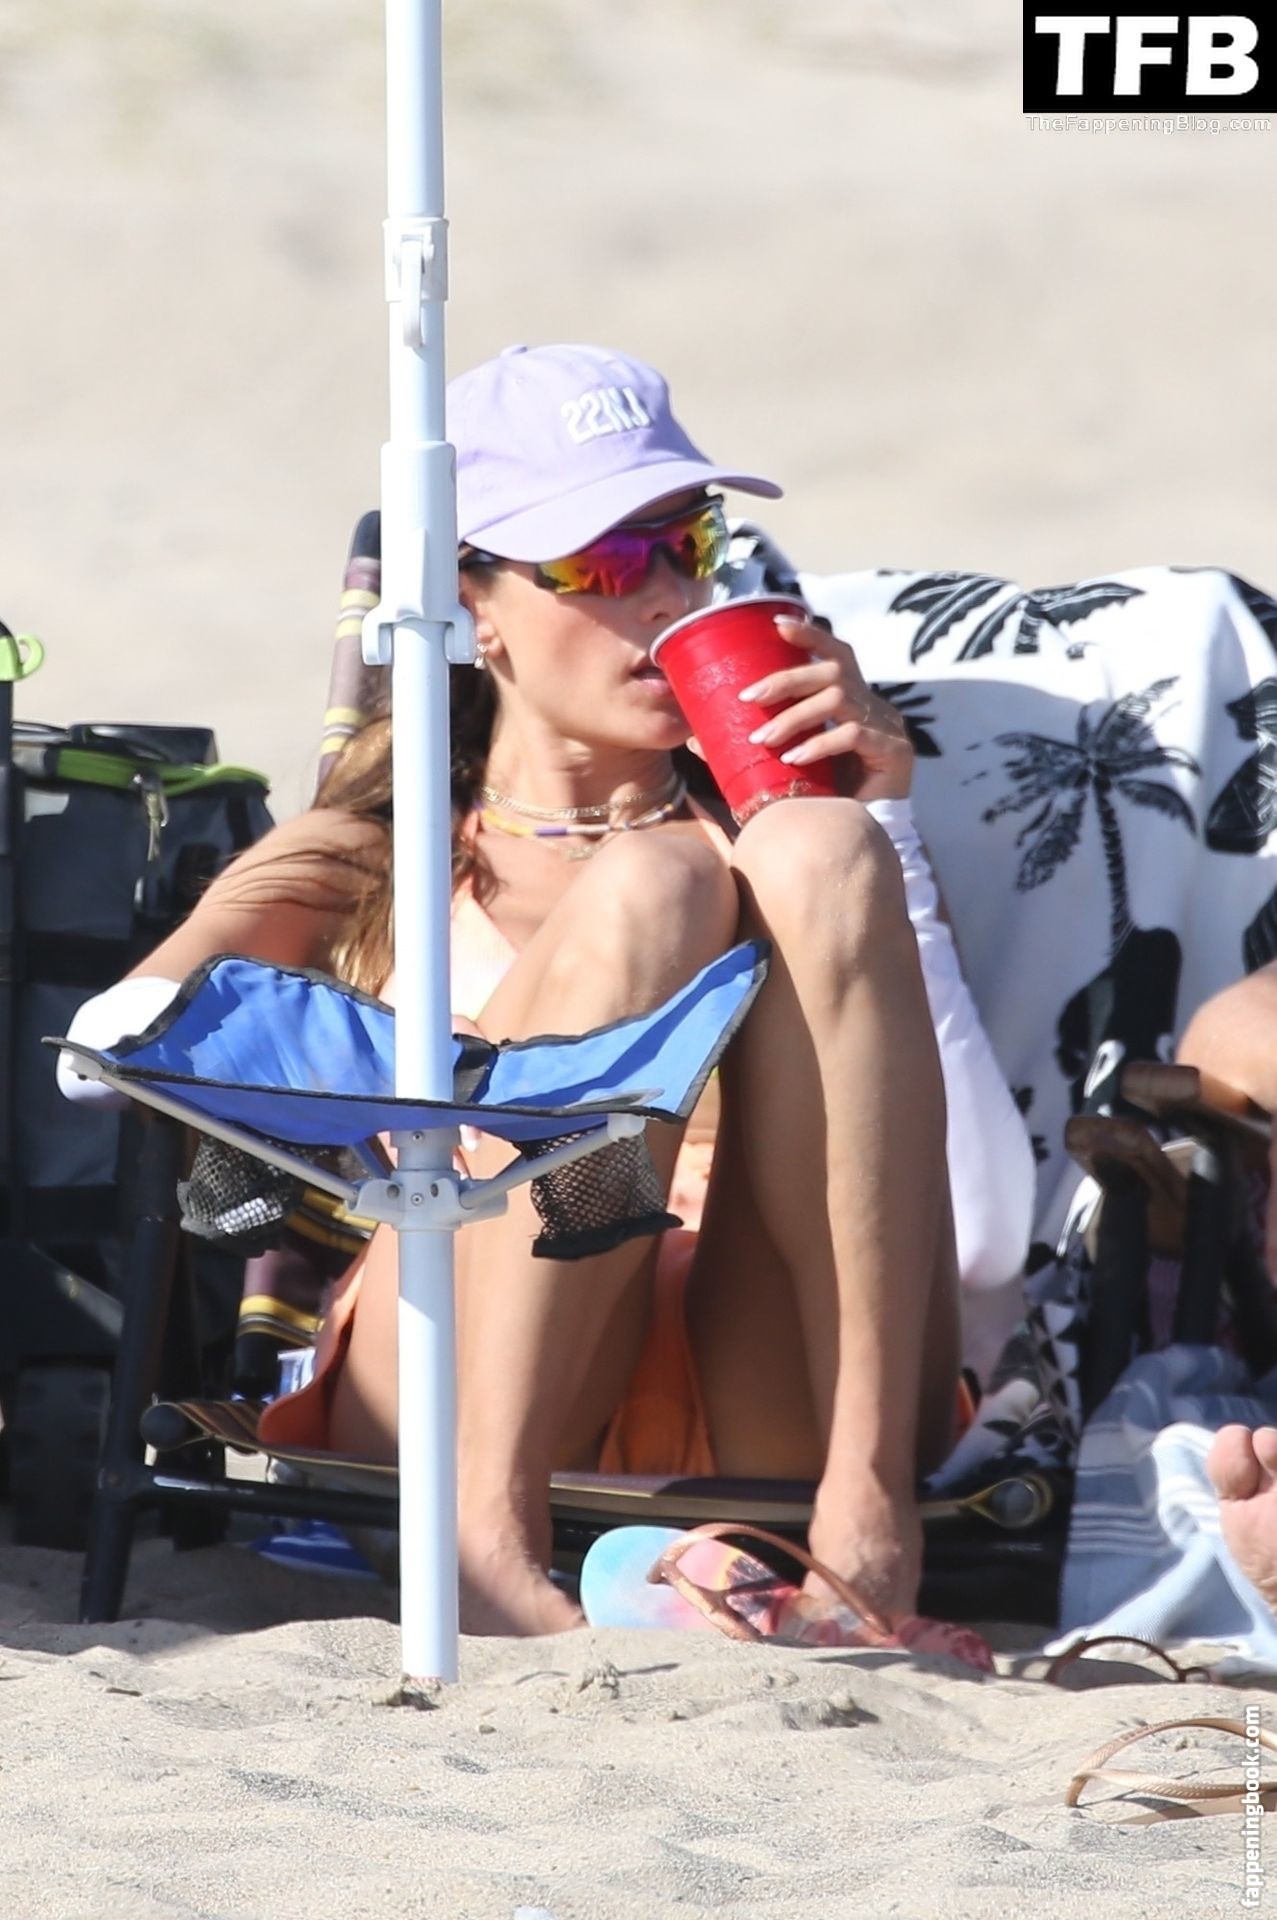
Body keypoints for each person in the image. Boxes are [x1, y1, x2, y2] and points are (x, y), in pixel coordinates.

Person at [60, 342, 1034, 1637]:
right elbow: (122, 1034)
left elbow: (983, 1231)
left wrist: (883, 837)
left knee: (801, 851)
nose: (668, 598)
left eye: (688, 543)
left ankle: (869, 1517)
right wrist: (400, 1080)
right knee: (655, 888)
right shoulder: (386, 848)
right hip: (453, 1377)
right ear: (471, 609)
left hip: (768, 1380)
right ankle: (489, 1537)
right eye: (601, 565)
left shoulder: (788, 854)